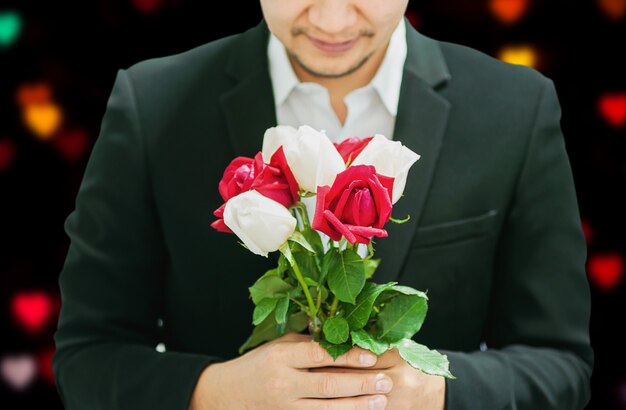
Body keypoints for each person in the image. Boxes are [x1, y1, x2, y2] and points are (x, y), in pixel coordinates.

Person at [52, 0, 594, 409]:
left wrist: (435, 393)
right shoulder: (151, 104)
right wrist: (215, 391)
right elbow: (86, 356)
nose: (332, 21)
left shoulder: (517, 109)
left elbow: (561, 364)